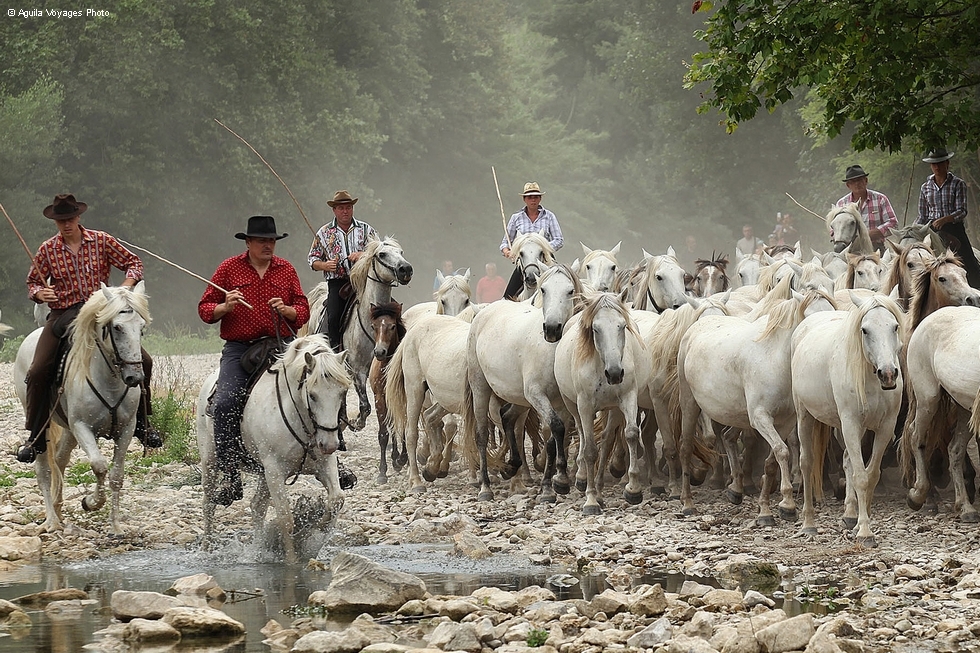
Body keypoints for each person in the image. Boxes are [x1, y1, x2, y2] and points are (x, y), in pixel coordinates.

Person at [17, 193, 161, 464]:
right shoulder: (48, 249)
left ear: (78, 217)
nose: (66, 224)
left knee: (145, 361)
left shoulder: (102, 240)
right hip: (63, 315)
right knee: (37, 371)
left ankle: (143, 423)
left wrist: (124, 290)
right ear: (55, 222)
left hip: (100, 311)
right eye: (61, 220)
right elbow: (33, 282)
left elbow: (134, 263)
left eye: (70, 219)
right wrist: (40, 294)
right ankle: (35, 435)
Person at [198, 215, 311, 505]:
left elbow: (303, 309)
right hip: (239, 348)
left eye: (271, 241)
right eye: (262, 241)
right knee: (225, 402)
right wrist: (225, 306)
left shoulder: (286, 269)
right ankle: (230, 473)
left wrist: (287, 310)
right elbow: (205, 309)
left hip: (281, 345)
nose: (268, 245)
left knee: (316, 387)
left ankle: (331, 453)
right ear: (248, 242)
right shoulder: (228, 268)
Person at [308, 190, 378, 351]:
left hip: (364, 282)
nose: (345, 211)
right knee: (333, 316)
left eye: (348, 207)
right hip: (338, 283)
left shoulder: (366, 229)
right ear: (334, 210)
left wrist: (362, 255)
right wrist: (325, 265)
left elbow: (378, 251)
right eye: (341, 208)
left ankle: (394, 349)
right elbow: (312, 259)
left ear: (352, 208)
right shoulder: (324, 233)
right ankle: (335, 350)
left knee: (388, 310)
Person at [916, 148, 980, 288]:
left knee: (969, 262)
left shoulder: (958, 184)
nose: (937, 167)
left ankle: (976, 286)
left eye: (940, 163)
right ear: (931, 166)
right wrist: (915, 229)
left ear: (947, 163)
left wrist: (945, 219)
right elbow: (922, 215)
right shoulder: (925, 187)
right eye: (934, 164)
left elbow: (962, 211)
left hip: (954, 229)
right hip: (932, 229)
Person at [501, 182, 564, 300]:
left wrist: (542, 248)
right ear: (524, 199)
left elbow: (559, 240)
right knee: (507, 298)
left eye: (536, 197)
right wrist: (507, 252)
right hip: (524, 263)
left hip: (546, 260)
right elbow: (505, 242)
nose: (533, 200)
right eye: (530, 197)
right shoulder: (516, 218)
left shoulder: (549, 216)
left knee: (563, 290)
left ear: (540, 198)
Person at [836, 164, 898, 254]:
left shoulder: (880, 199)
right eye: (853, 181)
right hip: (850, 252)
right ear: (848, 185)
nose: (857, 184)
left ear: (866, 181)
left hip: (876, 250)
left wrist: (871, 234)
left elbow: (893, 223)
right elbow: (833, 230)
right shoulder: (841, 204)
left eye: (859, 180)